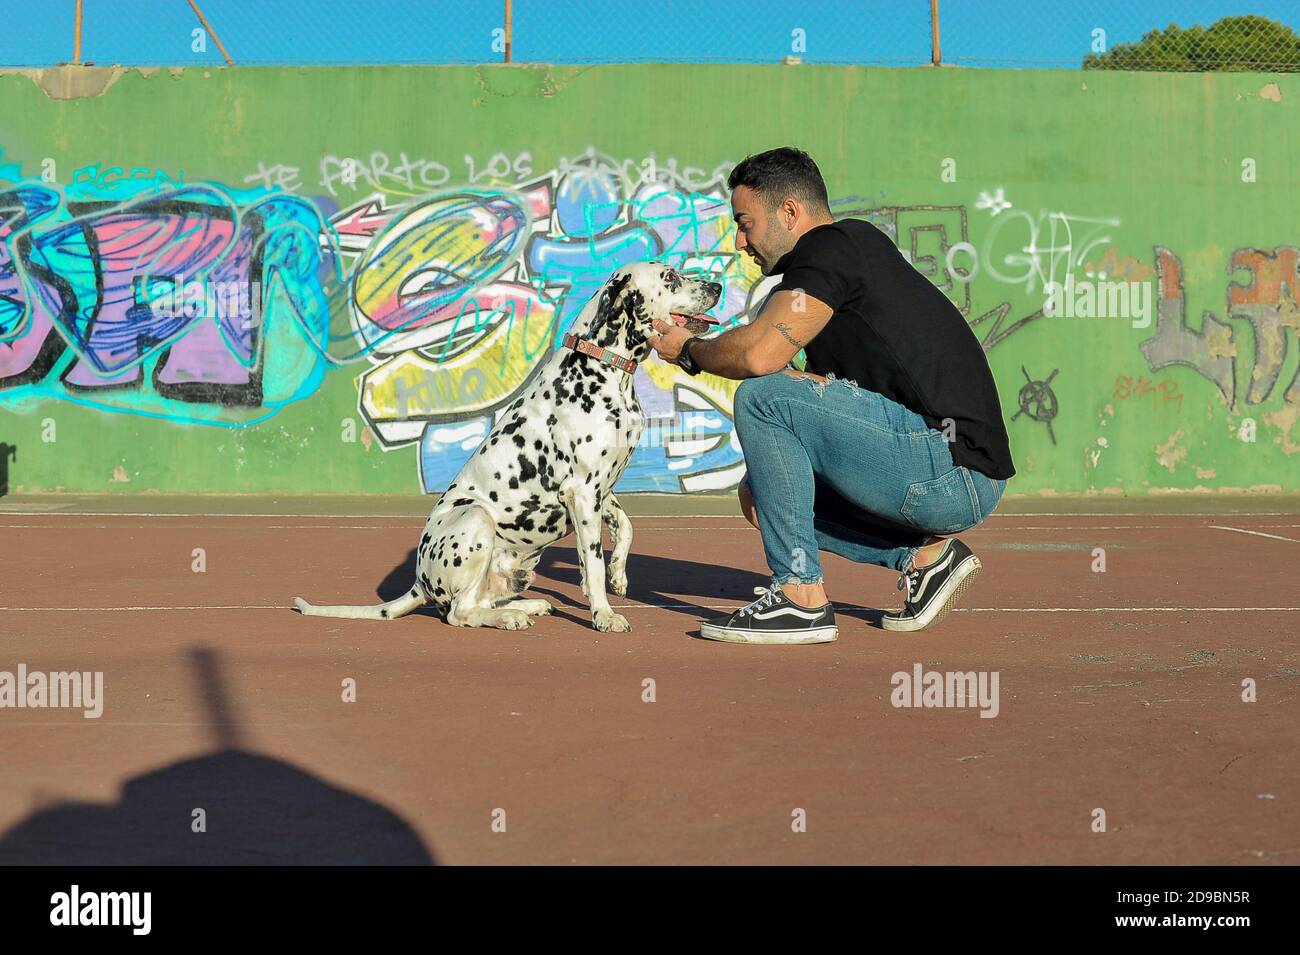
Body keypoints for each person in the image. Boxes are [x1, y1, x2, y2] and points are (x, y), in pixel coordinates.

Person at [648, 146, 1014, 644]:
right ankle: (925, 559)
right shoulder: (840, 264)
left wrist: (688, 349)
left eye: (745, 222)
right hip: (944, 469)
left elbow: (759, 356)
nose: (739, 241)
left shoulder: (832, 247)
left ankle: (799, 598)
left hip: (950, 466)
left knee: (763, 396)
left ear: (790, 212)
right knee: (762, 497)